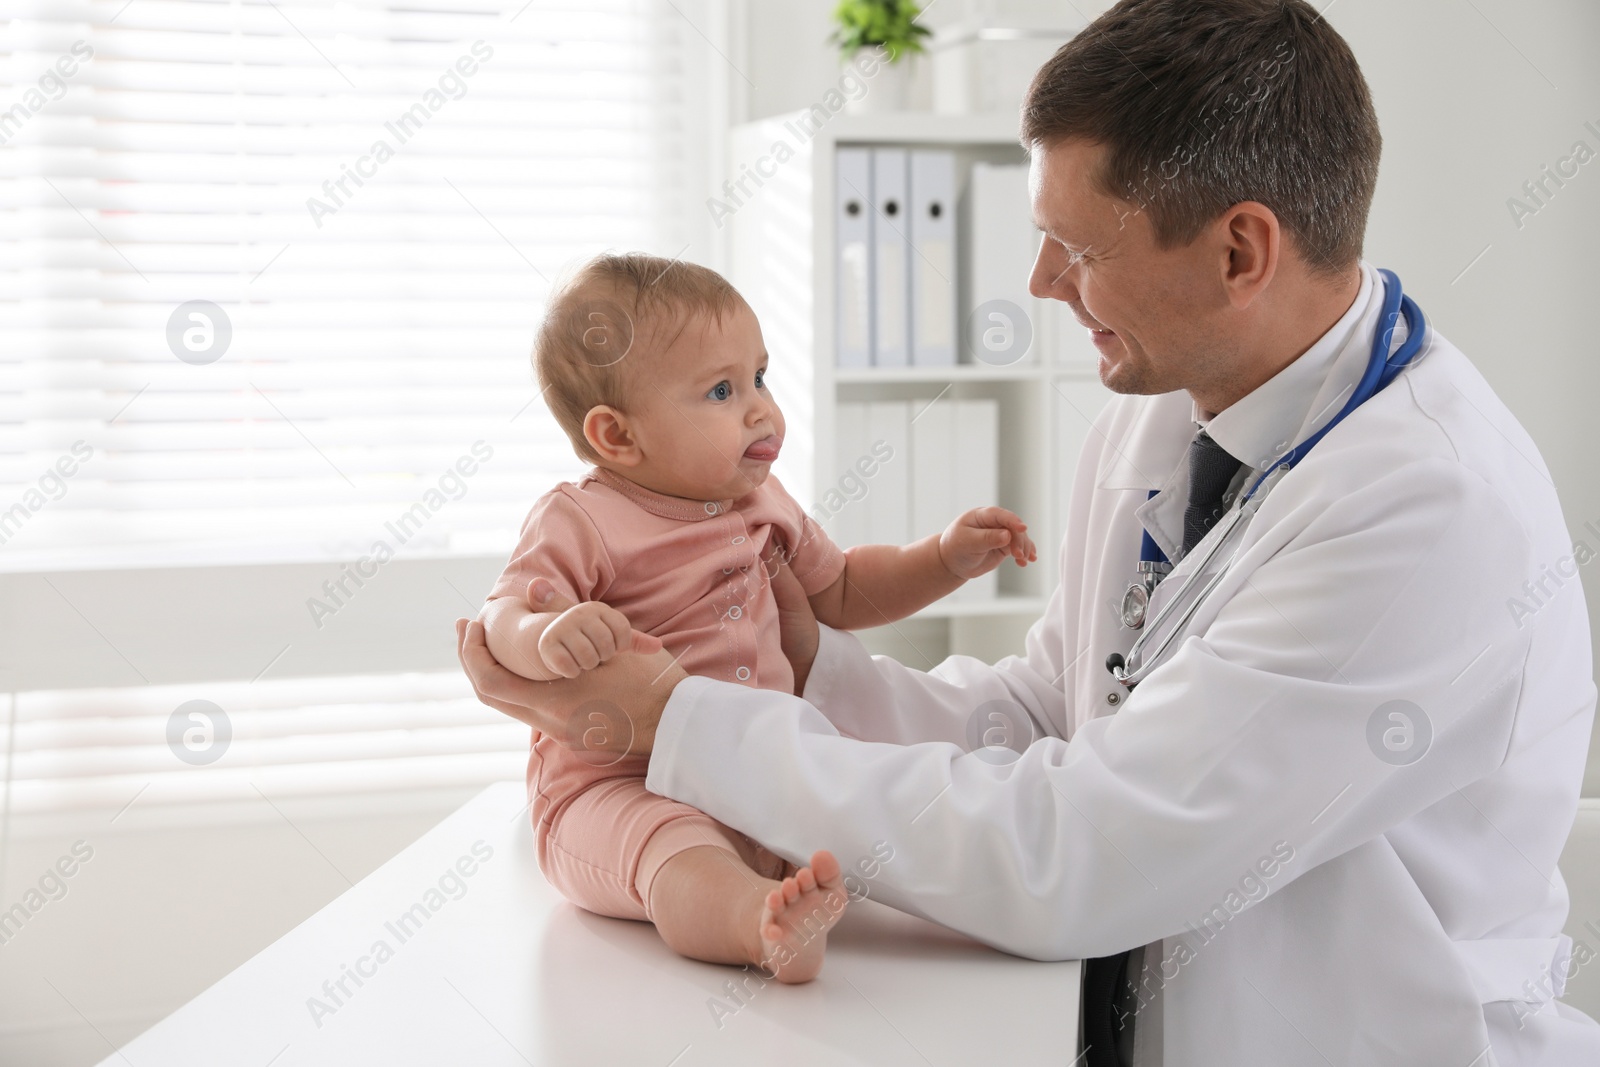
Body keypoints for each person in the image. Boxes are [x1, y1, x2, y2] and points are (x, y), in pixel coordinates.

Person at [458, 1, 1600, 1062]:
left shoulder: (1426, 510)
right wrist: (809, 660)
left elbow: (1083, 849)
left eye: (1080, 248)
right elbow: (1054, 713)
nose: (1039, 280)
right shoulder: (1159, 413)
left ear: (1240, 251)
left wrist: (679, 717)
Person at [479, 251, 1036, 983]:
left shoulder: (762, 503)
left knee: (828, 818)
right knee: (673, 852)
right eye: (719, 390)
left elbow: (843, 592)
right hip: (617, 788)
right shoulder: (581, 517)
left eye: (760, 377)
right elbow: (500, 618)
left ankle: (779, 887)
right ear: (617, 437)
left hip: (752, 778)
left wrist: (941, 559)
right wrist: (545, 635)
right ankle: (756, 924)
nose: (760, 408)